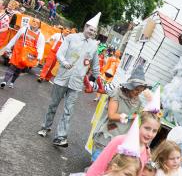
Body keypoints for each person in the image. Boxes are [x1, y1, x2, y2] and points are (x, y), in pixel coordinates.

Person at [37, 13, 102, 147]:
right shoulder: (71, 38)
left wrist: (101, 81)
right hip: (62, 78)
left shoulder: (94, 46)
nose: (92, 32)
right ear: (85, 27)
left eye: (95, 31)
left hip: (76, 82)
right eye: (91, 29)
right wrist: (64, 62)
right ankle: (45, 127)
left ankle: (61, 137)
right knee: (53, 105)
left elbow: (95, 66)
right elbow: (60, 53)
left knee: (69, 110)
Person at [91, 65, 150, 157]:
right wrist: (131, 117)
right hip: (107, 135)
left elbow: (136, 120)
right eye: (136, 90)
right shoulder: (117, 94)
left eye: (141, 91)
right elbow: (112, 115)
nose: (138, 93)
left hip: (121, 139)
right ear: (130, 87)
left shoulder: (138, 102)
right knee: (98, 163)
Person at [0, 17, 45, 89]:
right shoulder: (24, 29)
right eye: (34, 21)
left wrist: (39, 57)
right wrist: (8, 47)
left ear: (39, 25)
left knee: (19, 69)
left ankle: (12, 82)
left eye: (37, 22)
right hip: (17, 51)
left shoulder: (41, 36)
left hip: (28, 55)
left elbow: (41, 47)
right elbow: (15, 38)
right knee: (12, 65)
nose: (35, 23)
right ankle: (4, 81)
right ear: (31, 22)